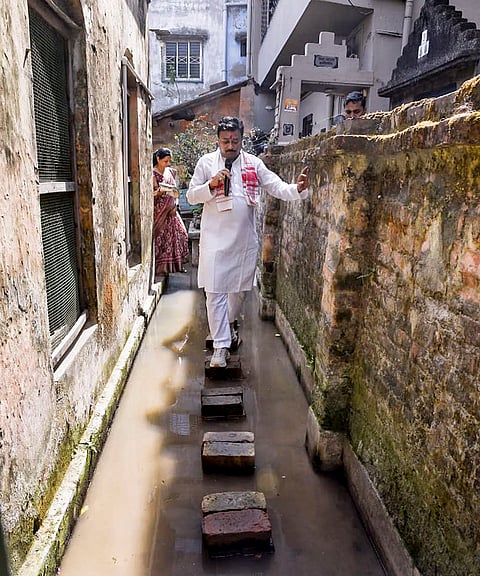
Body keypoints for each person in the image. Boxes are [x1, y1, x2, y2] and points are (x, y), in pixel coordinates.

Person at [186, 116, 310, 368]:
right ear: (218, 141)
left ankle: (228, 327)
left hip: (243, 241)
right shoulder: (206, 163)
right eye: (225, 141)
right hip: (214, 242)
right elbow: (191, 196)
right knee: (214, 293)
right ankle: (221, 347)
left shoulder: (253, 164)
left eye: (235, 140)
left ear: (241, 140)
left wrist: (296, 189)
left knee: (238, 292)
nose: (230, 145)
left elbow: (275, 186)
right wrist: (211, 184)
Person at [152, 148, 189, 277]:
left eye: (169, 161)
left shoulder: (170, 172)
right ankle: (160, 268)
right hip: (159, 212)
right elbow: (150, 195)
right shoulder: (152, 174)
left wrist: (175, 205)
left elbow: (175, 191)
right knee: (161, 239)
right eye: (165, 161)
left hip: (172, 211)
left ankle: (176, 265)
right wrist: (159, 192)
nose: (168, 164)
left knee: (181, 235)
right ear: (158, 159)